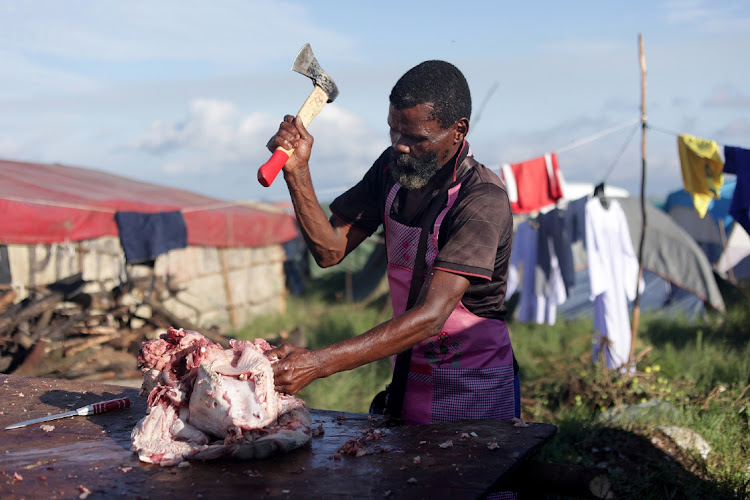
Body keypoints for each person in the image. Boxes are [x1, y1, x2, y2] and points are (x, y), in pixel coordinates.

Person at [265, 60, 519, 425]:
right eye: (393, 132)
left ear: (458, 131)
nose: (400, 147)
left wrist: (319, 362)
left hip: (471, 387)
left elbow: (432, 316)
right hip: (409, 372)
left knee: (469, 481)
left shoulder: (481, 199)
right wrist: (298, 173)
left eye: (416, 138)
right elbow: (329, 250)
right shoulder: (392, 171)